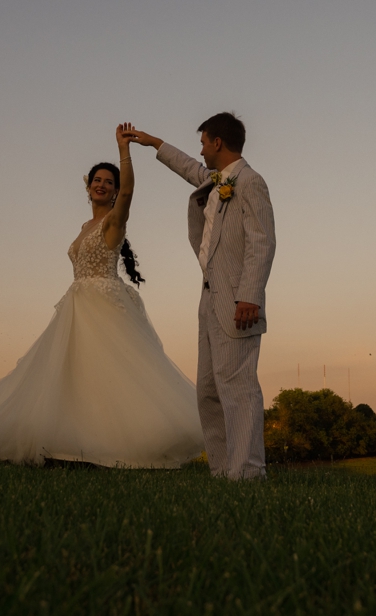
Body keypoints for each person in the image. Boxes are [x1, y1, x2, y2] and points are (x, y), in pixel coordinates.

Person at [0, 123, 203, 467]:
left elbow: (130, 193)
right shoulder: (84, 228)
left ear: (115, 192)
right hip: (76, 306)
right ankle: (71, 444)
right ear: (88, 188)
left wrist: (124, 151)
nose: (102, 185)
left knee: (110, 375)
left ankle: (117, 445)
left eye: (109, 182)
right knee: (72, 378)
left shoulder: (114, 222)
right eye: (97, 180)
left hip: (104, 306)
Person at [124, 113, 275, 481]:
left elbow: (262, 240)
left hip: (239, 301)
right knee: (209, 389)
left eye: (204, 142)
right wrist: (153, 142)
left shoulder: (250, 182)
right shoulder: (216, 181)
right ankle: (224, 470)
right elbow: (189, 168)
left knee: (238, 387)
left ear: (218, 142)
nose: (202, 150)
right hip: (209, 297)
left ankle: (249, 472)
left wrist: (249, 296)